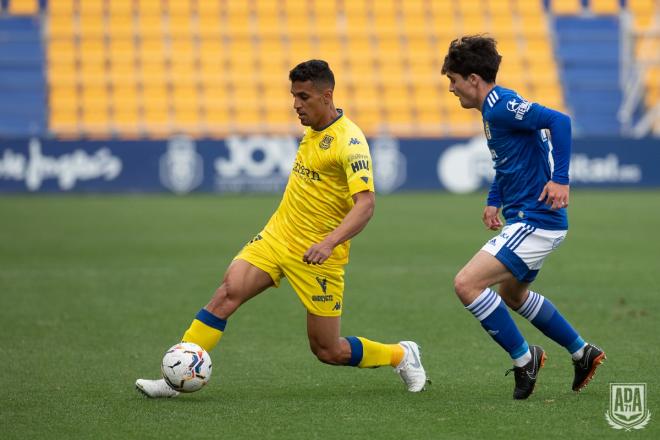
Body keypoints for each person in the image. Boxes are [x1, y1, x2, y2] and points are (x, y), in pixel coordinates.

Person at [136, 60, 427, 397]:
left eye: (303, 97)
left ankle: (402, 355)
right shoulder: (313, 129)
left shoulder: (351, 142)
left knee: (327, 350)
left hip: (318, 256)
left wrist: (329, 242)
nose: (296, 105)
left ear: (326, 95)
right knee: (227, 293)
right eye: (293, 96)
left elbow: (367, 205)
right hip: (277, 238)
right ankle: (177, 378)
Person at [441, 36, 605, 400]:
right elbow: (508, 159)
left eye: (453, 80)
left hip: (536, 220)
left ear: (473, 79)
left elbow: (559, 121)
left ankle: (524, 358)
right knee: (512, 295)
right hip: (530, 219)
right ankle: (582, 353)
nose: (451, 89)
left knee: (467, 284)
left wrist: (560, 179)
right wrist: (493, 199)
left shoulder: (501, 105)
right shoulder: (492, 109)